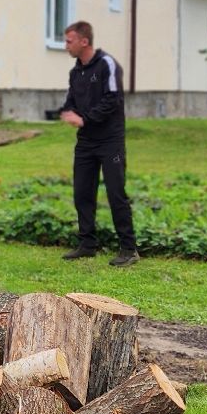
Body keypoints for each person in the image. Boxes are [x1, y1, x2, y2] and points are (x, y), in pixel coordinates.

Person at [56, 20, 138, 266]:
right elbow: (71, 100)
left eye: (69, 41)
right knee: (82, 192)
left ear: (84, 41)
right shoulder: (75, 71)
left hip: (110, 141)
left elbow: (112, 99)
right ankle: (87, 244)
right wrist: (65, 112)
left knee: (116, 193)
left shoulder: (107, 64)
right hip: (86, 143)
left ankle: (128, 249)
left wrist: (84, 119)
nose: (65, 46)